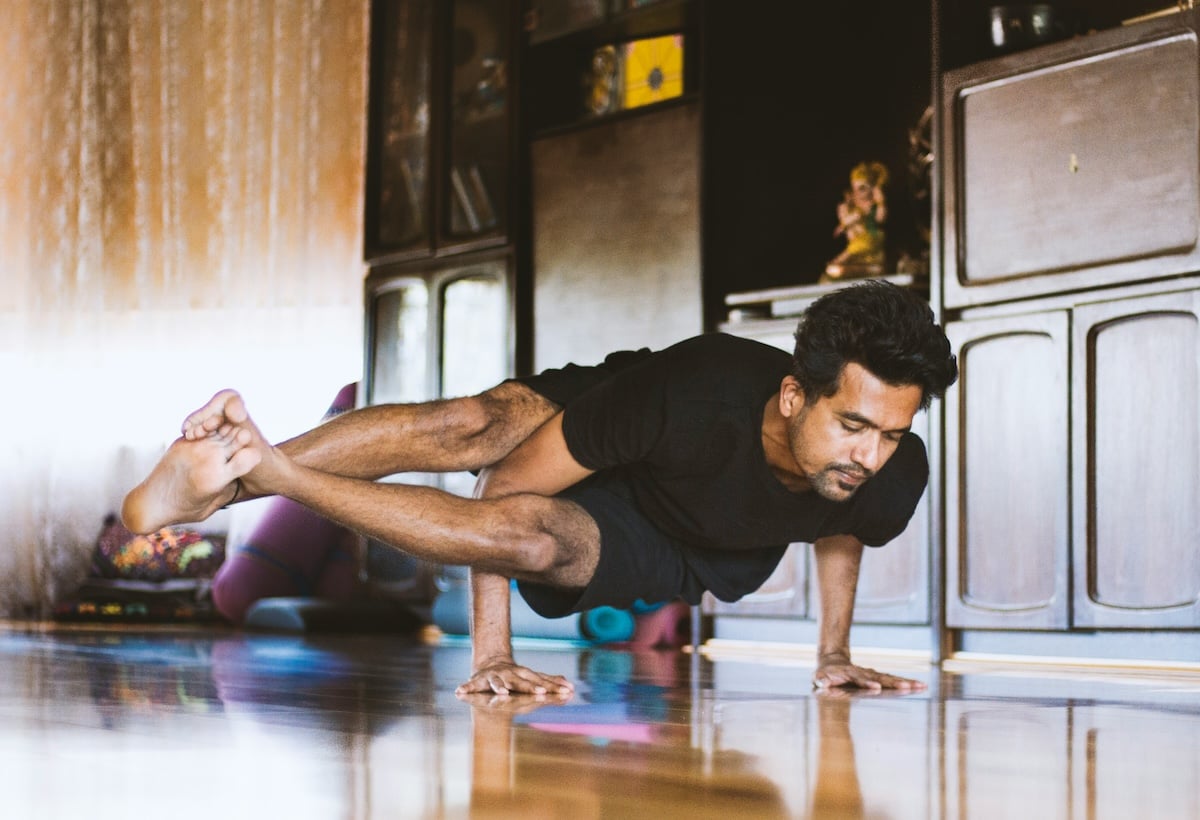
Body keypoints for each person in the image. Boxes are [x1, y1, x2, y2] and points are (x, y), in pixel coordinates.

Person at [121, 280, 958, 696]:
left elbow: (847, 522)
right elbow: (504, 477)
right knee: (471, 427)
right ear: (792, 395)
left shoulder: (889, 462)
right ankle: (232, 478)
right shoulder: (687, 392)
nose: (871, 453)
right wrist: (493, 653)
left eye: (890, 432)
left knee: (532, 540)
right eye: (852, 425)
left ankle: (258, 470)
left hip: (675, 540)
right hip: (631, 425)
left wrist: (834, 655)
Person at [823, 160, 889, 283]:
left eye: (862, 188)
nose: (858, 193)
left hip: (870, 240)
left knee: (850, 253)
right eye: (855, 189)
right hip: (861, 250)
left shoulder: (870, 207)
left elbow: (879, 218)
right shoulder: (852, 207)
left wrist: (881, 202)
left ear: (873, 189)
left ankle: (842, 262)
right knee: (836, 269)